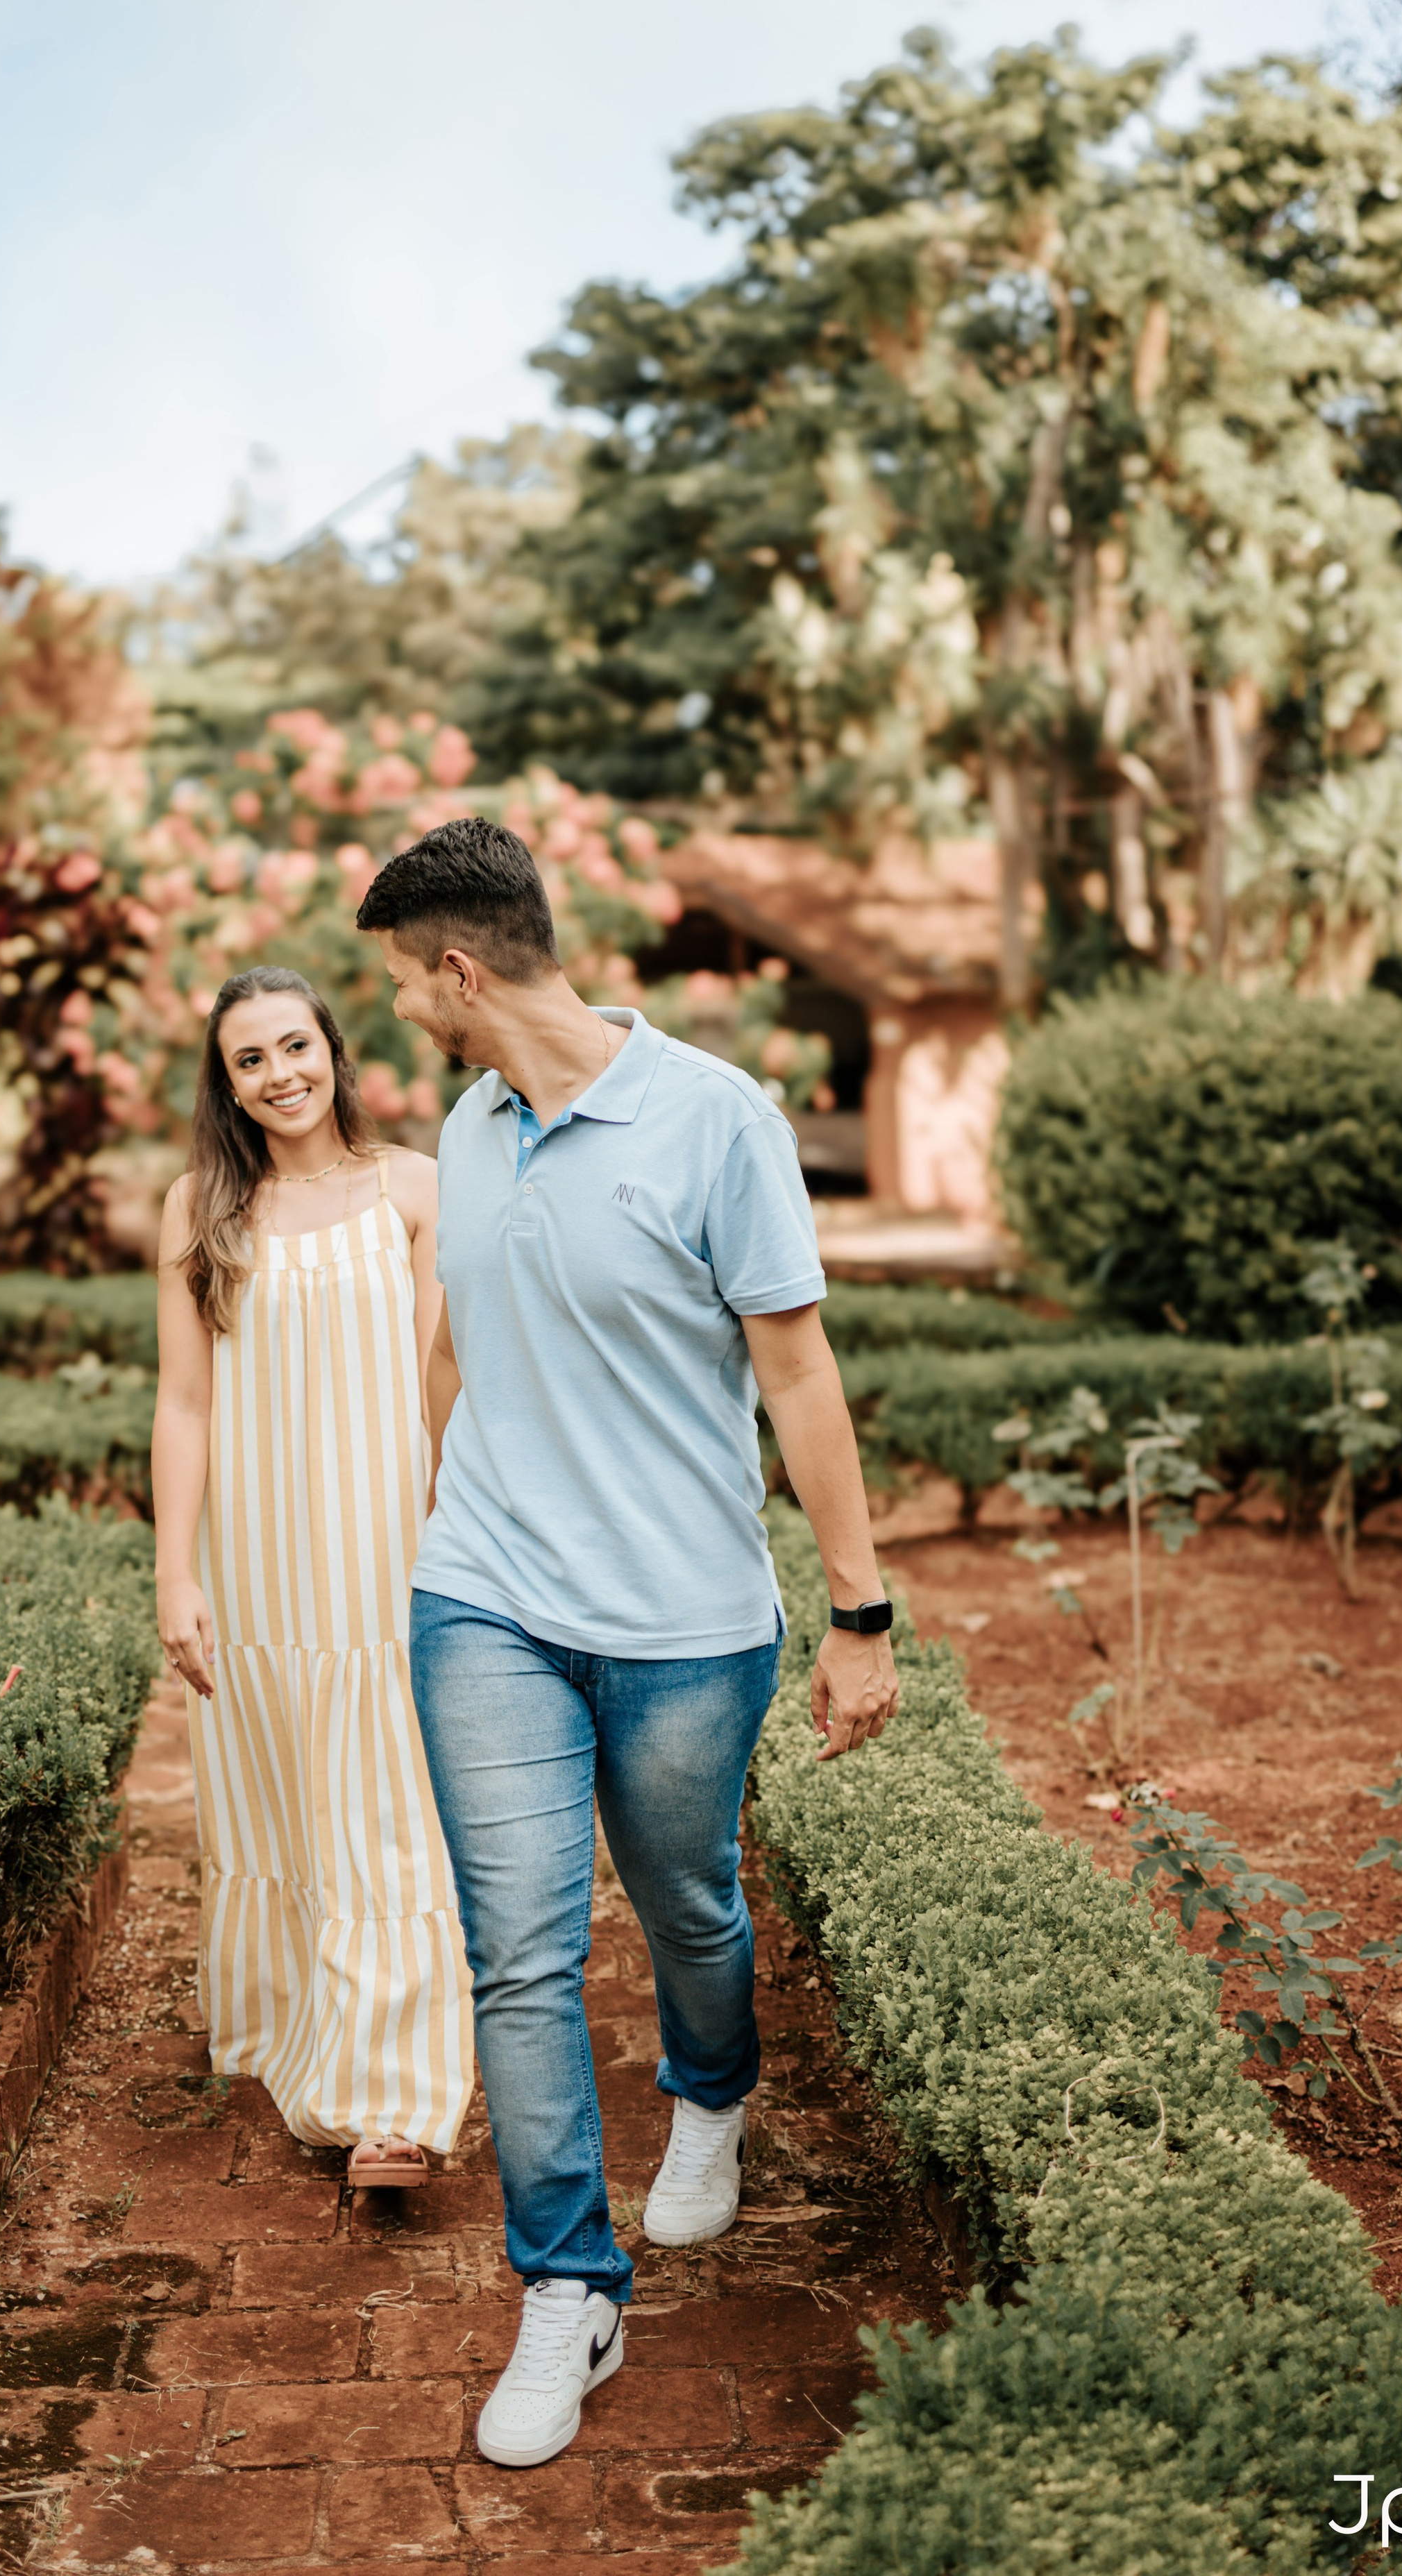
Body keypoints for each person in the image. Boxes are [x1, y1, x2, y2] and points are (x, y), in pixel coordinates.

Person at [355, 821, 900, 2468]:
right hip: (487, 1604)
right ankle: (564, 2290)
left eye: (399, 984)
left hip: (682, 1621)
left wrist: (861, 1614)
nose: (401, 1015)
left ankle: (710, 2090)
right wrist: (425, 1524)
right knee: (517, 1954)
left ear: (458, 968)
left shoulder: (714, 1120)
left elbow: (796, 1377)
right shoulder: (466, 1126)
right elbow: (454, 1332)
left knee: (685, 1904)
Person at [151, 965, 474, 2188]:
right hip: (253, 1556)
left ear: (335, 1054)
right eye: (251, 1059)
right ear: (226, 1084)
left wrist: (461, 1516)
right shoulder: (199, 1209)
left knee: (386, 1800)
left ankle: (395, 2103)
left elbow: (441, 1375)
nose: (280, 1074)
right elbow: (183, 1403)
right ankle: (302, 2025)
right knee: (282, 1793)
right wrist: (176, 1572)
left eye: (297, 1047)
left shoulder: (412, 1189)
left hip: (382, 1543)